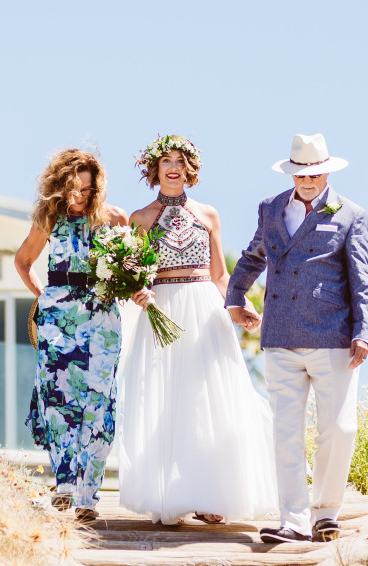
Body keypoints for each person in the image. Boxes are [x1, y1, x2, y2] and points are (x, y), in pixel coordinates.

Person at [117, 135, 278, 525]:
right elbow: (134, 276)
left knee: (207, 400)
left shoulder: (208, 214)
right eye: (166, 161)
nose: (173, 167)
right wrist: (138, 290)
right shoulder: (139, 218)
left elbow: (221, 275)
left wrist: (240, 304)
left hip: (205, 310)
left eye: (180, 161)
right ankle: (170, 496)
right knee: (164, 398)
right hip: (162, 311)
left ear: (190, 169)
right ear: (154, 169)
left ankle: (209, 495)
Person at [225, 133, 368, 545]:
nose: (307, 181)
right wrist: (235, 296)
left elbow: (362, 279)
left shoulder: (351, 215)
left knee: (339, 428)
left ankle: (326, 513)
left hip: (333, 336)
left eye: (314, 174)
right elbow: (254, 255)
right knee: (286, 432)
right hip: (279, 335)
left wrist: (364, 331)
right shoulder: (270, 208)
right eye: (300, 174)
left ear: (327, 172)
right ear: (291, 173)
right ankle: (293, 519)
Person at [15, 148, 127, 522]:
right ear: (60, 185)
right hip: (58, 319)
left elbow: (130, 265)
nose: (80, 196)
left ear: (97, 188)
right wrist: (44, 297)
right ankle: (65, 484)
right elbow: (23, 261)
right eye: (73, 188)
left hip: (102, 318)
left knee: (98, 401)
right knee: (58, 398)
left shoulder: (113, 218)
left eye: (87, 189)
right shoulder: (49, 218)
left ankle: (87, 497)